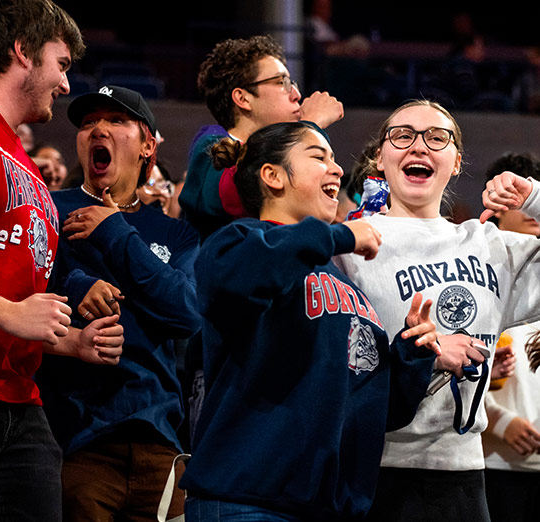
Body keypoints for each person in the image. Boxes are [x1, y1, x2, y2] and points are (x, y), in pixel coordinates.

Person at [179, 121, 446, 522]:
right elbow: (256, 265)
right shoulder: (234, 242)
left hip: (327, 508)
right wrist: (338, 235)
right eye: (319, 157)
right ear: (272, 176)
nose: (337, 169)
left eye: (335, 159)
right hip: (247, 504)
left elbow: (371, 408)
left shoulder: (345, 283)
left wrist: (411, 353)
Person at [334, 99, 540, 522]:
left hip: (465, 479)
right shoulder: (347, 246)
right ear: (379, 156)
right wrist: (422, 353)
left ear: (457, 161)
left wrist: (532, 197)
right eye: (403, 135)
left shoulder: (492, 247)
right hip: (370, 472)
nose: (419, 147)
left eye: (436, 137)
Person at [0, 2, 124, 521]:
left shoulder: (27, 166)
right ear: (22, 52)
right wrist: (11, 315)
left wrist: (71, 341)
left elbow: (13, 294)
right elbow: (11, 309)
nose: (65, 83)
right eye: (61, 64)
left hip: (21, 400)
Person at [35, 84, 202, 521]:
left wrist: (114, 231)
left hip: (160, 446)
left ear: (148, 144)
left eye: (116, 121)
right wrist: (74, 283)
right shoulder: (50, 208)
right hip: (74, 439)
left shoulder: (175, 233)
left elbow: (187, 311)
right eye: (89, 123)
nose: (98, 130)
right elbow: (15, 286)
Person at [178, 34, 344, 240]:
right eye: (282, 82)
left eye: (293, 83)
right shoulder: (211, 143)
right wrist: (310, 126)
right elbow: (237, 193)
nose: (296, 95)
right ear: (243, 98)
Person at [480, 152, 540, 522]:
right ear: (499, 206)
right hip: (496, 465)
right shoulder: (479, 267)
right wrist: (501, 421)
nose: (530, 206)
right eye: (518, 194)